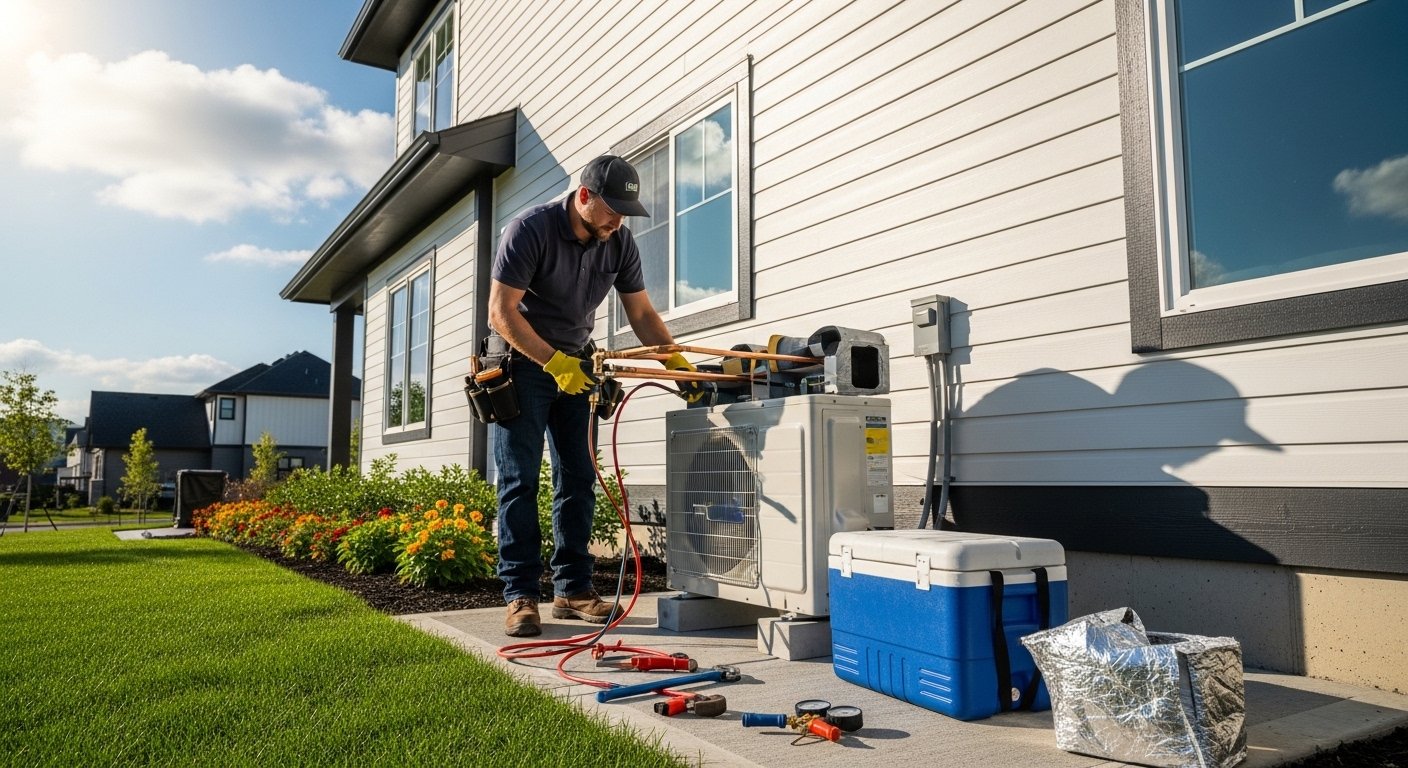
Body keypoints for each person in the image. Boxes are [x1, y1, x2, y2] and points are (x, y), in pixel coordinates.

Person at [488, 155, 700, 637]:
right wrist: (552, 363)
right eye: (612, 209)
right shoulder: (530, 229)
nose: (619, 221)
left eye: (626, 212)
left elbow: (642, 313)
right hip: (523, 362)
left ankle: (573, 589)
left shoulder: (617, 240)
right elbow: (500, 312)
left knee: (579, 477)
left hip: (579, 364)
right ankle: (520, 594)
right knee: (519, 479)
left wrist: (677, 364)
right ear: (584, 196)